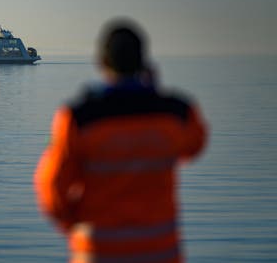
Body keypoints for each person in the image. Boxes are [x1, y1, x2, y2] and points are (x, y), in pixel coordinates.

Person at [34, 19, 207, 263]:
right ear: (143, 61)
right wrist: (153, 93)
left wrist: (74, 224)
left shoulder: (79, 119)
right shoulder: (175, 114)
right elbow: (195, 145)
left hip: (98, 252)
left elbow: (51, 187)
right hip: (159, 253)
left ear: (102, 62)